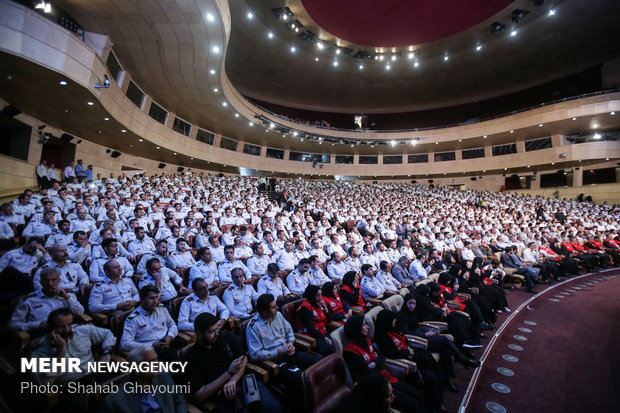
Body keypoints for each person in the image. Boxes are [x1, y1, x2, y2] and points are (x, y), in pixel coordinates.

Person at [182, 312, 283, 413]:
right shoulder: (191, 357)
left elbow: (243, 358)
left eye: (217, 329)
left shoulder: (224, 336)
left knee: (273, 408)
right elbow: (199, 395)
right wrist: (229, 373)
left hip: (242, 379)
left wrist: (233, 380)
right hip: (223, 394)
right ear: (199, 333)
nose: (216, 333)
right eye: (211, 331)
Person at [342, 315, 425, 413]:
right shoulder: (350, 351)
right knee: (413, 405)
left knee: (419, 395)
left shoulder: (366, 340)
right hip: (376, 388)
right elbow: (365, 370)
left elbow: (381, 357)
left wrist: (374, 363)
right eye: (364, 325)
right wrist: (376, 361)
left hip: (386, 377)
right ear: (356, 328)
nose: (367, 327)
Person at [246, 293, 322, 400]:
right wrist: (279, 352)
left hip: (290, 353)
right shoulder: (253, 327)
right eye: (273, 307)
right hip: (276, 363)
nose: (277, 308)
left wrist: (291, 343)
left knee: (320, 363)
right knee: (301, 379)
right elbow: (255, 355)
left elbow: (289, 332)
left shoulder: (278, 315)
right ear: (264, 312)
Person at [397, 294, 480, 389]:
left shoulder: (414, 313)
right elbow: (407, 336)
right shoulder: (402, 316)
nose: (412, 306)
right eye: (410, 303)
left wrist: (426, 332)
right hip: (417, 342)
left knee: (446, 349)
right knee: (445, 340)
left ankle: (447, 379)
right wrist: (424, 335)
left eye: (414, 303)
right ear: (405, 303)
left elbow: (418, 326)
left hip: (423, 336)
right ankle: (464, 360)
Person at [374, 309, 444, 412]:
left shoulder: (394, 330)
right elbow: (392, 354)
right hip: (406, 364)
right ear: (386, 321)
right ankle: (435, 407)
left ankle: (438, 403)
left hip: (411, 357)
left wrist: (408, 350)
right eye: (392, 320)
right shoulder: (383, 338)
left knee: (435, 365)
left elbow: (405, 340)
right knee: (431, 378)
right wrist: (407, 352)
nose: (395, 321)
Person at [99, 344, 188, 413]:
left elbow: (178, 398)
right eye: (151, 361)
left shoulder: (162, 376)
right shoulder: (115, 401)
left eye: (156, 359)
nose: (158, 364)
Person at [9, 267, 84, 333]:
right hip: (43, 333)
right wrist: (38, 325)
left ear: (59, 281)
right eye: (46, 280)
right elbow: (13, 325)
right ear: (41, 282)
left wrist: (66, 297)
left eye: (53, 280)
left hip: (67, 331)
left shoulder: (66, 296)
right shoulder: (29, 300)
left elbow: (79, 313)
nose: (50, 284)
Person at [120, 285, 178, 355]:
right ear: (141, 299)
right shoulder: (132, 319)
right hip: (148, 352)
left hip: (167, 344)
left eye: (157, 297)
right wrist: (151, 346)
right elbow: (125, 344)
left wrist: (170, 337)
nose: (155, 301)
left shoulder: (162, 309)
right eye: (151, 298)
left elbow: (172, 325)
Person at [296, 285, 335, 356]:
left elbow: (329, 319)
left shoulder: (318, 303)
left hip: (322, 332)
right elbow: (311, 328)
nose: (320, 297)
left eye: (321, 295)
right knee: (330, 349)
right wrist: (324, 338)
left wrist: (325, 308)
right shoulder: (305, 308)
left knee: (337, 341)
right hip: (311, 337)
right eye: (318, 295)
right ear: (312, 296)